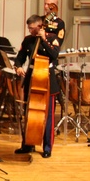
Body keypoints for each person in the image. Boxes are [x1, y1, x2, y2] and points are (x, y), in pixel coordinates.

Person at [13, 14, 59, 158]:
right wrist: (18, 66)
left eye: (32, 28)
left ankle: (47, 147)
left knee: (48, 116)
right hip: (32, 78)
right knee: (29, 114)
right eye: (29, 28)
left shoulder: (51, 38)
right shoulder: (28, 40)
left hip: (47, 80)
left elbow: (54, 55)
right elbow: (20, 57)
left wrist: (43, 39)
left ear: (40, 26)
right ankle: (27, 144)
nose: (30, 31)